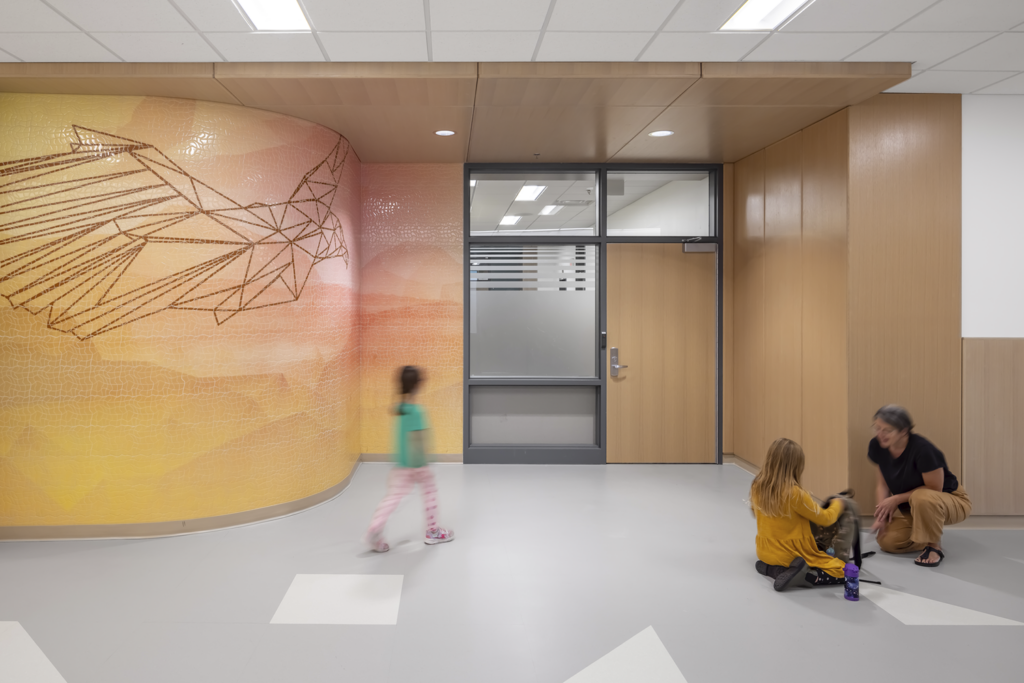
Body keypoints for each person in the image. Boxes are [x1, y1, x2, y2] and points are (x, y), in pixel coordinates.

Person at [364, 366, 454, 552]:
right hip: (417, 463)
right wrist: (424, 462)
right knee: (429, 492)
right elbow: (417, 439)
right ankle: (433, 532)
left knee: (394, 497)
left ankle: (376, 527)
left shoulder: (400, 409)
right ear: (417, 385)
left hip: (401, 464)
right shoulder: (417, 412)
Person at [869, 405, 970, 567]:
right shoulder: (878, 446)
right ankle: (925, 534)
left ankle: (933, 545)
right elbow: (882, 484)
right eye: (877, 428)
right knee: (887, 542)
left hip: (950, 499)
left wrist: (896, 499)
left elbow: (933, 490)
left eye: (887, 430)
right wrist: (881, 516)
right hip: (914, 507)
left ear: (903, 431)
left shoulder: (923, 450)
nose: (880, 434)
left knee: (922, 497)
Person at [750, 438, 850, 591]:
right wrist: (839, 503)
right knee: (844, 571)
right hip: (790, 555)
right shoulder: (795, 493)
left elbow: (754, 513)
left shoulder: (757, 485)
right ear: (796, 466)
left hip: (763, 551)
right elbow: (826, 518)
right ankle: (806, 577)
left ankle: (773, 570)